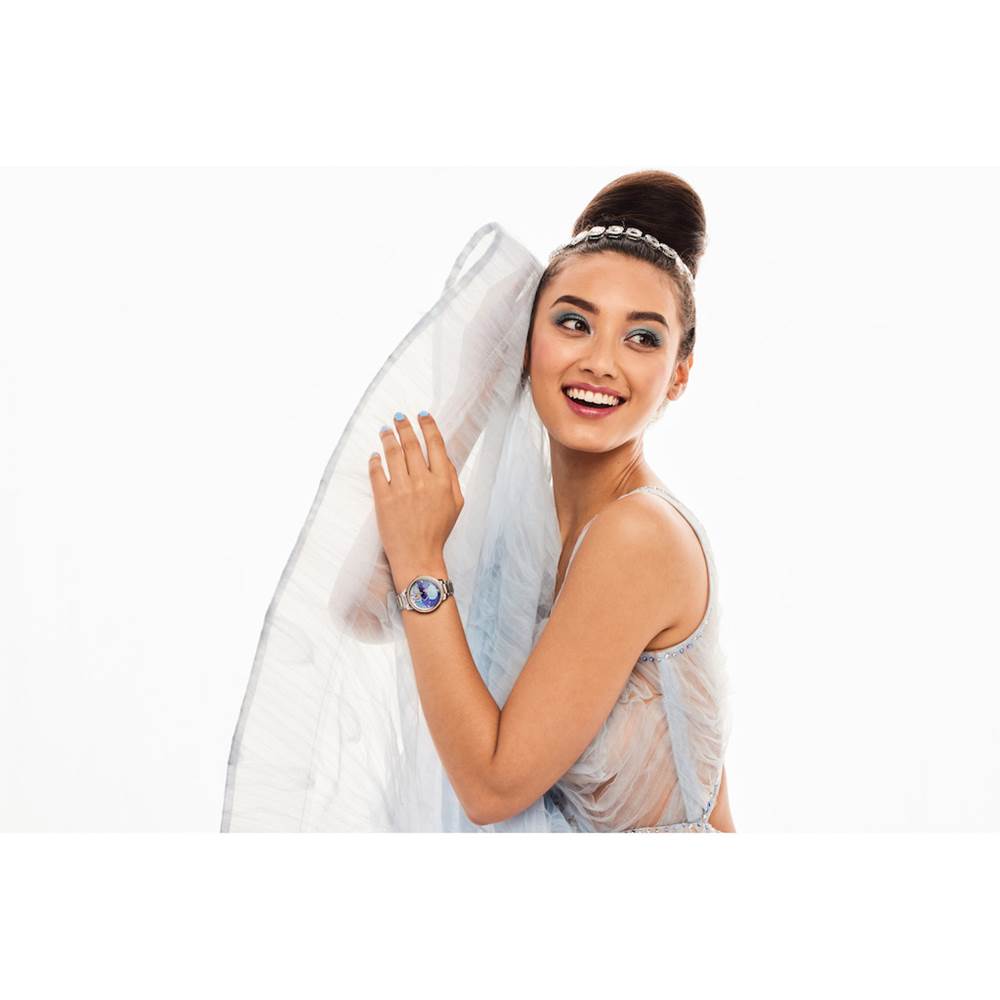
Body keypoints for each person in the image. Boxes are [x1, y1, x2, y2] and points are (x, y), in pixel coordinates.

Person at [221, 169, 734, 832]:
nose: (601, 361)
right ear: (527, 341)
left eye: (642, 338)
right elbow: (361, 608)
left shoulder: (640, 534)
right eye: (573, 323)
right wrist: (478, 384)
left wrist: (422, 557)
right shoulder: (535, 529)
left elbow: (491, 788)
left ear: (679, 374)